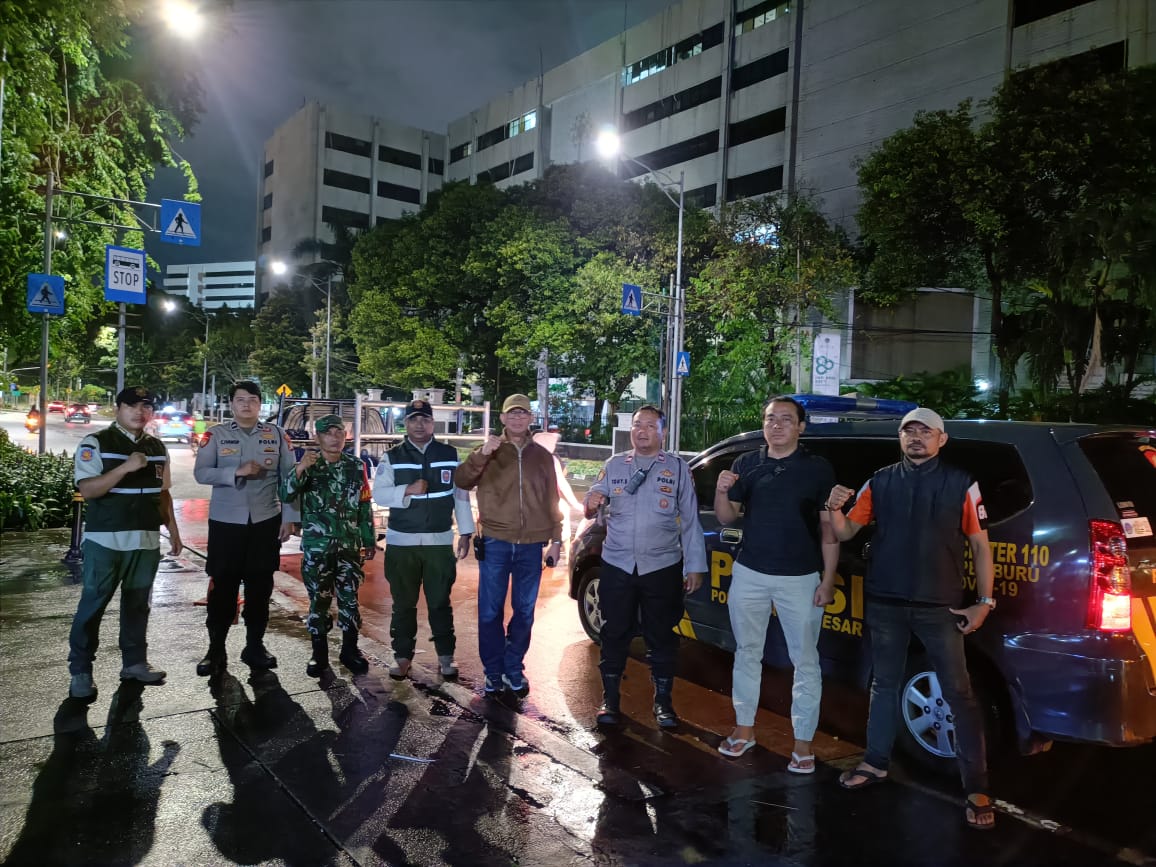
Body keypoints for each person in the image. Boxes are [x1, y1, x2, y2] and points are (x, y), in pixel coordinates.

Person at [826, 406, 997, 831]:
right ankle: (875, 763)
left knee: (959, 694)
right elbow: (846, 532)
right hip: (885, 601)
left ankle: (977, 787)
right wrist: (834, 508)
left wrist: (984, 602)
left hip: (940, 606)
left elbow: (980, 546)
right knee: (883, 685)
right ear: (900, 438)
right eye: (909, 431)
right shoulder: (880, 481)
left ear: (942, 439)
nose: (916, 437)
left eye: (926, 431)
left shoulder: (960, 483)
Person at [713, 396, 839, 771]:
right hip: (749, 572)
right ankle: (744, 730)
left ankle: (803, 744)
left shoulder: (817, 469)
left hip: (800, 578)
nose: (777, 425)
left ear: (801, 427)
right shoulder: (746, 464)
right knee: (746, 653)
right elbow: (726, 518)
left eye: (786, 419)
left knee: (806, 661)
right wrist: (721, 490)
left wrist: (828, 579)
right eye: (771, 419)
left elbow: (829, 530)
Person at [583, 405, 707, 729]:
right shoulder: (613, 465)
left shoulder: (677, 469)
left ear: (663, 432)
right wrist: (590, 503)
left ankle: (663, 704)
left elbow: (690, 521)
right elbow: (592, 504)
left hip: (662, 566)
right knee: (613, 633)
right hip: (618, 564)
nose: (642, 431)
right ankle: (610, 701)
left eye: (651, 425)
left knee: (661, 636)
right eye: (638, 424)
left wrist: (694, 566)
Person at [67, 387, 183, 700]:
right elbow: (88, 490)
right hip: (106, 541)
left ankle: (134, 663)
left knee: (137, 605)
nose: (139, 412)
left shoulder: (157, 447)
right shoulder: (96, 443)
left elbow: (163, 493)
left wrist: (173, 530)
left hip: (145, 541)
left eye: (146, 406)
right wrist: (124, 467)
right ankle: (80, 670)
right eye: (132, 405)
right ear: (118, 408)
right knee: (93, 606)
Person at [455, 393, 562, 697]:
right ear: (502, 418)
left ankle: (513, 667)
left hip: (531, 545)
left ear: (531, 419)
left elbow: (552, 500)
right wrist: (482, 454)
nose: (517, 418)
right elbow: (462, 480)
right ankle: (493, 671)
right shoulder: (489, 450)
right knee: (490, 612)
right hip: (496, 542)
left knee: (524, 611)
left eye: (523, 413)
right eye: (512, 413)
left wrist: (557, 540)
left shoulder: (542, 456)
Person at [193, 381, 298, 677]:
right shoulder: (216, 435)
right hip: (226, 523)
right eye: (241, 400)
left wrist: (289, 517)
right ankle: (215, 650)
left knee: (260, 588)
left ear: (260, 404)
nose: (247, 404)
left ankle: (254, 646)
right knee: (223, 588)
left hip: (265, 521)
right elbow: (201, 473)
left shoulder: (276, 435)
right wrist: (235, 471)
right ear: (231, 404)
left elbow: (289, 478)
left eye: (253, 399)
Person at [372, 398, 475, 679]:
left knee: (440, 602)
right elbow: (379, 493)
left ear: (432, 423)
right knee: (403, 604)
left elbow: (460, 495)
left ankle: (446, 657)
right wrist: (407, 490)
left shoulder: (449, 453)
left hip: (439, 543)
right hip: (401, 543)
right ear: (405, 423)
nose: (419, 424)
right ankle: (402, 656)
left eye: (425, 419)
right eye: (413, 419)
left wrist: (466, 532)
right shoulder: (392, 456)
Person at [282, 414, 376, 675]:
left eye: (339, 432)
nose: (335, 438)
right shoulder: (309, 464)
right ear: (318, 437)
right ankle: (319, 653)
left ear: (345, 436)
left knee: (349, 599)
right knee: (319, 600)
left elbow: (364, 504)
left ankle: (350, 650)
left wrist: (368, 538)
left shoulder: (356, 466)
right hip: (318, 547)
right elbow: (286, 493)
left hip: (348, 545)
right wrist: (300, 468)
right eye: (328, 433)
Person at [532, 430, 584, 564]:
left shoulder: (552, 459)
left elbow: (562, 482)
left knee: (562, 527)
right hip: (536, 506)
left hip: (552, 503)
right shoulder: (531, 459)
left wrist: (575, 504)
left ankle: (565, 558)